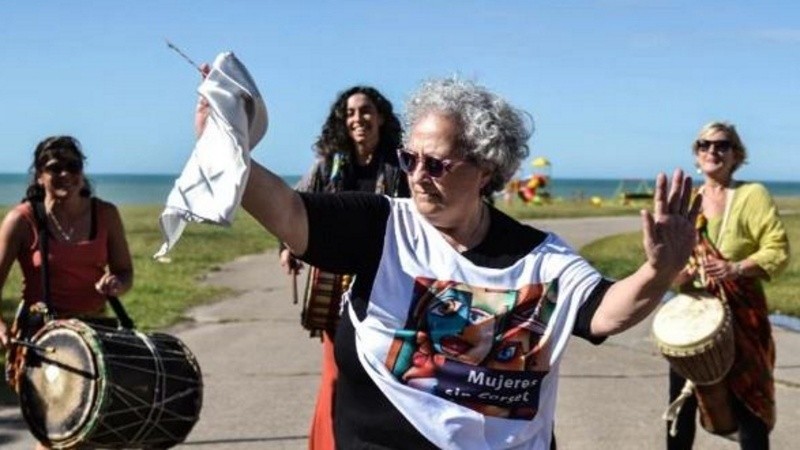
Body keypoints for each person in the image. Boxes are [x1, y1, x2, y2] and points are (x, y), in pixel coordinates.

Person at [196, 77, 699, 449]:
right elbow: (286, 210)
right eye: (410, 159)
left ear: (485, 170)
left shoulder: (540, 258)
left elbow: (607, 312)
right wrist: (223, 141)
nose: (418, 176)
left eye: (436, 164)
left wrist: (658, 271)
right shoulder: (379, 226)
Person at [281, 85, 409, 449]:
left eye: (366, 111)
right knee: (337, 375)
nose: (358, 119)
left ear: (381, 117)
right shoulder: (328, 165)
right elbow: (295, 209)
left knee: (386, 377)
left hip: (388, 287)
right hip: (333, 294)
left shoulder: (400, 165)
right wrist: (287, 246)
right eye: (350, 113)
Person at [0, 135, 134, 450]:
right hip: (44, 339)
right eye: (54, 168)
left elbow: (125, 272)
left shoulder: (106, 214)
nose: (65, 175)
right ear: (39, 175)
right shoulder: (22, 219)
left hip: (95, 335)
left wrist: (116, 284)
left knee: (96, 434)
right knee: (57, 434)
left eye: (73, 166)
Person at [666, 122, 790, 450]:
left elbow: (777, 248)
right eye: (704, 145)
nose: (712, 151)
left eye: (722, 145)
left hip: (742, 316)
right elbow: (668, 261)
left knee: (750, 404)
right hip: (694, 319)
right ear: (696, 153)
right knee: (681, 403)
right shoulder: (688, 201)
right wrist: (679, 275)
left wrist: (734, 267)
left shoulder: (752, 195)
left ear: (736, 155)